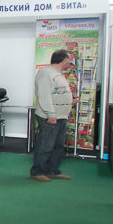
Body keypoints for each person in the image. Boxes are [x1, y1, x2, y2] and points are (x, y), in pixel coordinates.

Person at [31, 49, 74, 182]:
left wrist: (70, 101)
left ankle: (52, 170)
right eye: (69, 60)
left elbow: (56, 93)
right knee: (46, 145)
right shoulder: (46, 73)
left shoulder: (56, 73)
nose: (70, 63)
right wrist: (51, 114)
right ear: (64, 60)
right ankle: (37, 171)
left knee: (57, 146)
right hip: (50, 117)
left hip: (60, 116)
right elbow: (44, 95)